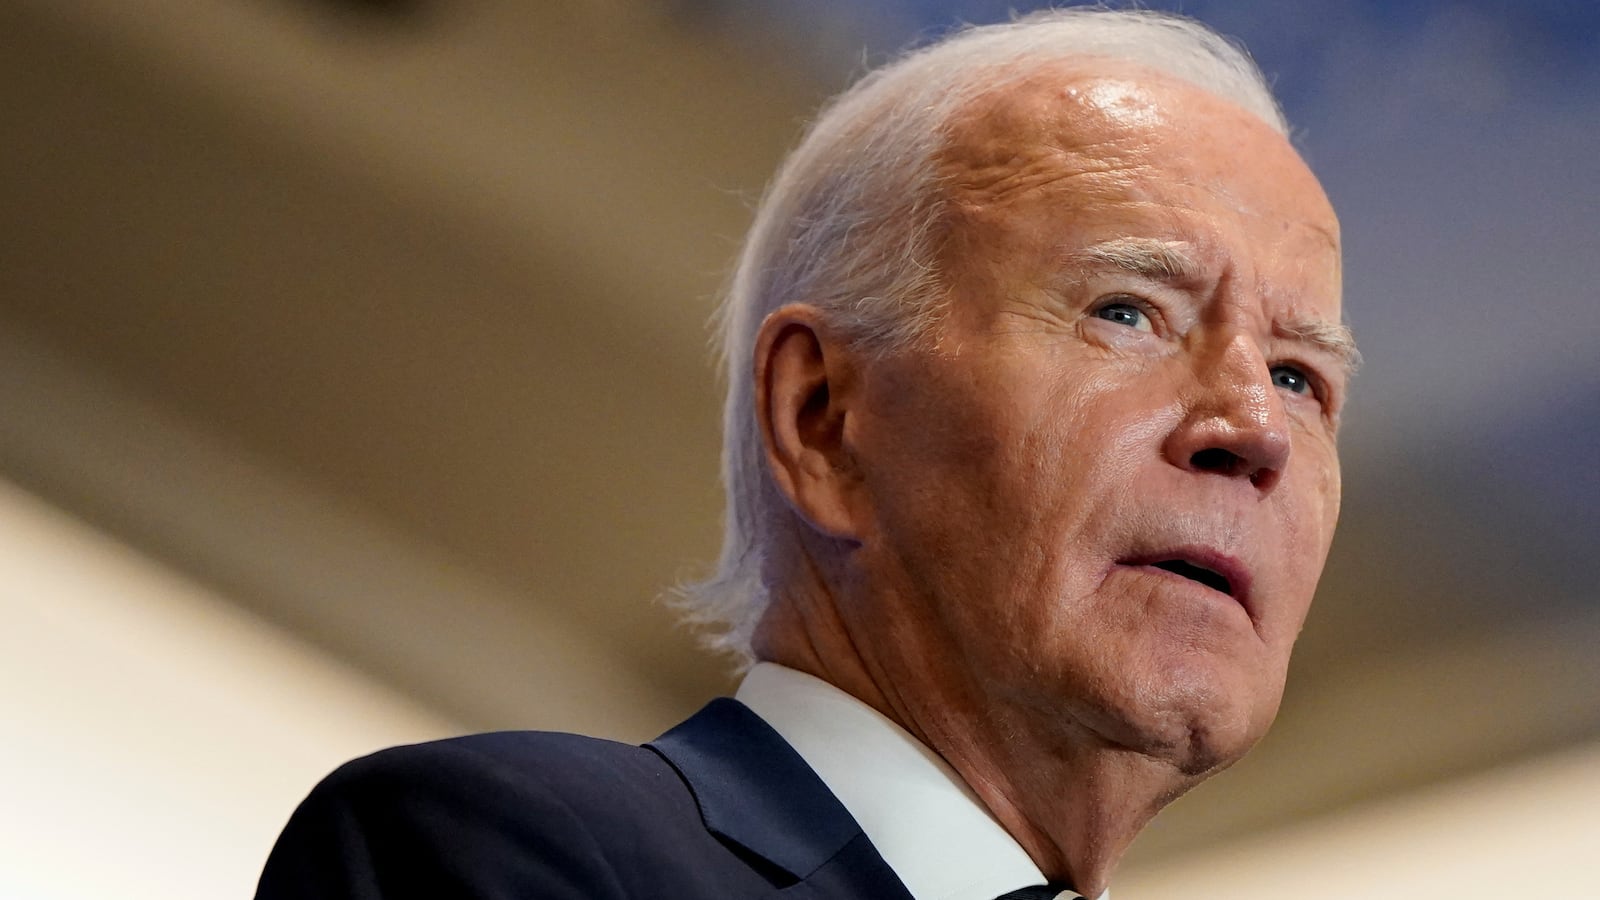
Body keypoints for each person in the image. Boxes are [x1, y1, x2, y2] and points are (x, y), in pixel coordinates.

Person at [256, 7, 1358, 899]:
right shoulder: (516, 855)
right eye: (1129, 312)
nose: (1255, 430)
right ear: (823, 415)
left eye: (1301, 377)